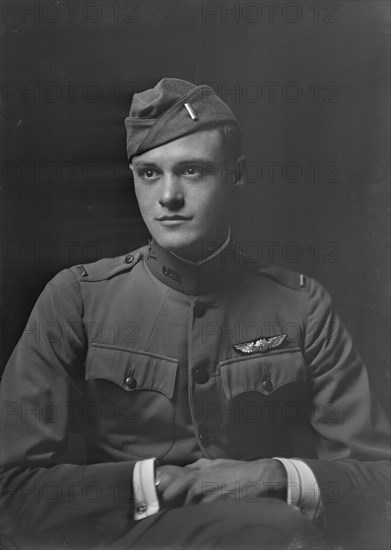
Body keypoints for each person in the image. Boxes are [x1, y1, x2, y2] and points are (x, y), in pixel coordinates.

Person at [0, 78, 389, 550]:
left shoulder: (302, 305)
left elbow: (378, 483)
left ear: (237, 174)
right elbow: (11, 490)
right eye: (148, 173)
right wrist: (166, 485)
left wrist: (269, 477)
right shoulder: (76, 299)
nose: (167, 197)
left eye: (192, 171)